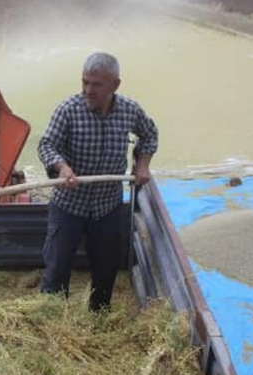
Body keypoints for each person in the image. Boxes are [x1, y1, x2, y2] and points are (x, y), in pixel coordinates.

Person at [37, 52, 158, 311]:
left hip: (107, 207)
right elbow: (47, 145)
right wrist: (62, 167)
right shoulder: (68, 109)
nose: (88, 90)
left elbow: (150, 135)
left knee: (105, 270)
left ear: (115, 85)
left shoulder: (129, 110)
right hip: (69, 205)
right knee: (57, 269)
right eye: (84, 82)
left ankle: (99, 315)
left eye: (96, 84)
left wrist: (143, 164)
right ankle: (52, 317)